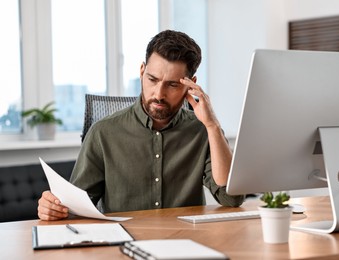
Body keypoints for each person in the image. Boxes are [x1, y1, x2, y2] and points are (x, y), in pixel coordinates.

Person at [37, 30, 245, 221]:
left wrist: (212, 126)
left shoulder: (202, 130)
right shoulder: (103, 133)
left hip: (186, 241)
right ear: (142, 71)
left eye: (172, 84)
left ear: (190, 84)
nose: (159, 94)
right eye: (152, 79)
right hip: (124, 244)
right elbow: (75, 208)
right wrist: (53, 207)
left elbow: (231, 198)